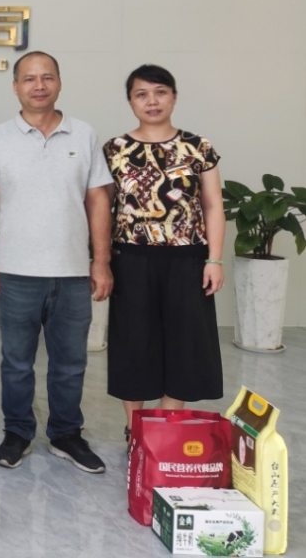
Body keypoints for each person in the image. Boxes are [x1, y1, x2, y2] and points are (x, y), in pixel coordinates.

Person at [0, 51, 113, 473]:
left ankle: (66, 434)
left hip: (72, 272)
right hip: (16, 272)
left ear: (59, 83)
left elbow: (98, 199)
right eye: (29, 79)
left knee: (70, 363)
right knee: (16, 363)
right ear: (15, 86)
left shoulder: (83, 134)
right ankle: (17, 432)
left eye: (47, 77)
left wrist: (101, 261)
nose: (39, 86)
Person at [103, 64, 225, 439]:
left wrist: (214, 260)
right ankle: (135, 429)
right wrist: (101, 260)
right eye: (141, 94)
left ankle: (165, 427)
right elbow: (102, 209)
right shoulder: (115, 150)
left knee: (184, 342)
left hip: (187, 259)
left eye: (160, 92)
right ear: (130, 102)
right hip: (131, 259)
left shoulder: (197, 146)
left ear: (173, 97)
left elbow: (213, 206)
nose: (151, 101)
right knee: (133, 342)